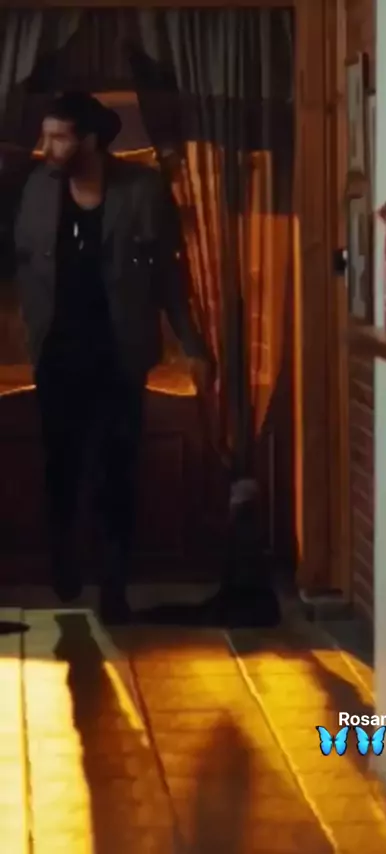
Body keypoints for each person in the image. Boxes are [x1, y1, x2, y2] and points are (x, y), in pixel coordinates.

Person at [11, 92, 212, 623]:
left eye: (59, 137)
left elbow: (169, 277)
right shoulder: (37, 188)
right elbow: (21, 265)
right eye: (46, 135)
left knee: (117, 473)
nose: (47, 146)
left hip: (119, 354)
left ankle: (114, 586)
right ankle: (63, 561)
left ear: (91, 141)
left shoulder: (141, 190)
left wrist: (192, 345)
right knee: (61, 467)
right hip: (57, 353)